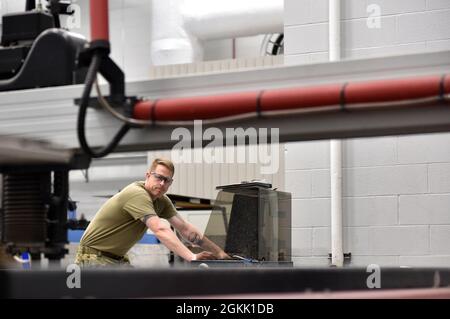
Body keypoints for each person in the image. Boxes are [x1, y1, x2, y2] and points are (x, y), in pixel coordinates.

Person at [75, 157, 229, 267]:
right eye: (158, 178)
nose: (162, 183)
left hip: (115, 258)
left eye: (167, 180)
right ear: (148, 176)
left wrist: (221, 254)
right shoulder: (137, 194)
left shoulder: (161, 201)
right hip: (94, 257)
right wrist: (192, 257)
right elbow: (159, 229)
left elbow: (186, 229)